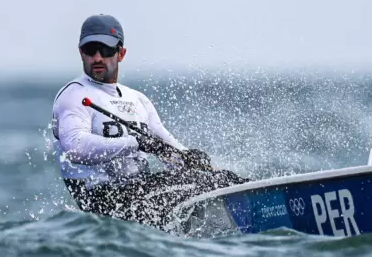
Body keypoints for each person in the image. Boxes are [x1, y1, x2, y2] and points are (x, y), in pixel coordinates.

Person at [51, 14, 250, 231]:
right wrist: (135, 143)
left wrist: (187, 157)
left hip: (141, 192)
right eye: (90, 50)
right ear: (81, 52)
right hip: (106, 204)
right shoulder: (74, 97)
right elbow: (76, 148)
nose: (98, 57)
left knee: (216, 177)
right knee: (209, 184)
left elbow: (167, 146)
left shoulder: (138, 100)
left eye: (106, 50)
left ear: (121, 53)